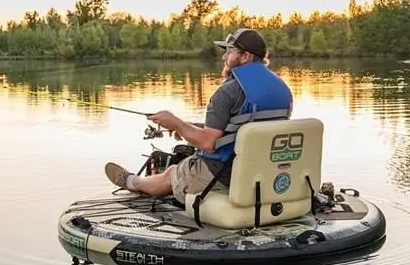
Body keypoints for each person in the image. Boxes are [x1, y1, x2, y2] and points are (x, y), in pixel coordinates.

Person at [104, 27, 294, 204]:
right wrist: (186, 126)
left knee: (173, 172)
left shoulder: (226, 92)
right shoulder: (283, 90)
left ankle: (132, 182)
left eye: (229, 52)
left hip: (224, 173)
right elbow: (244, 128)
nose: (224, 57)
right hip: (264, 171)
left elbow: (208, 143)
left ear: (245, 56)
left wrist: (175, 123)